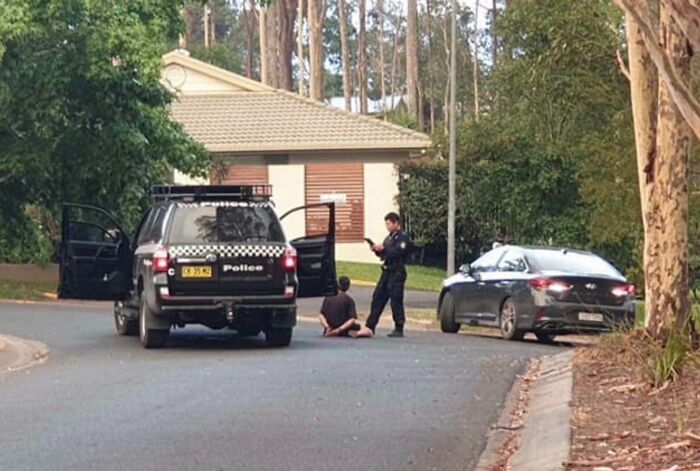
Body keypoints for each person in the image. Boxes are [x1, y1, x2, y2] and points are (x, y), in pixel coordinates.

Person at [356, 212, 412, 338]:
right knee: (377, 297)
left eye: (389, 223)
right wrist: (376, 250)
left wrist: (384, 249)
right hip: (386, 271)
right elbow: (384, 255)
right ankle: (370, 326)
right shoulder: (388, 238)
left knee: (396, 299)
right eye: (386, 224)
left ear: (396, 224)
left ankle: (399, 327)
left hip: (397, 271)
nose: (387, 226)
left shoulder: (403, 238)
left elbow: (398, 252)